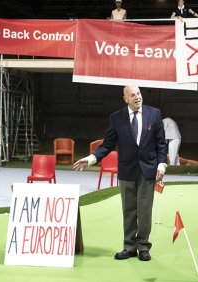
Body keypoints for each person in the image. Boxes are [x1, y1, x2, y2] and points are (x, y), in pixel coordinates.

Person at [73, 85, 167, 262]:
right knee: (129, 210)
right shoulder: (116, 118)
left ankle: (143, 246)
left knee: (144, 211)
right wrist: (92, 158)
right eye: (133, 95)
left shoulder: (154, 114)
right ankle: (129, 247)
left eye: (138, 94)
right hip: (126, 171)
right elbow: (107, 144)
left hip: (148, 170)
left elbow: (160, 144)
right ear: (125, 99)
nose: (137, 97)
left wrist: (161, 166)